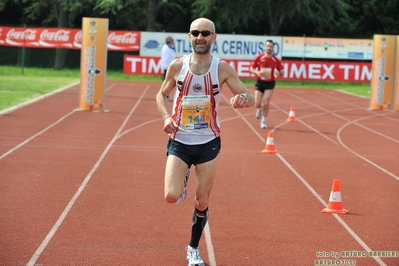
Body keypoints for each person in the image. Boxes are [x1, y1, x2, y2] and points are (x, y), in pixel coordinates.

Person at [155, 17, 254, 266]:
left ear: (214, 37)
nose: (200, 37)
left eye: (205, 33)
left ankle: (192, 249)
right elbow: (160, 94)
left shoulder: (222, 69)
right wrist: (166, 116)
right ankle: (183, 178)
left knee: (202, 201)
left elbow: (248, 94)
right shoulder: (177, 67)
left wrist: (243, 98)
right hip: (180, 139)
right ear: (189, 36)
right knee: (171, 195)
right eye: (196, 33)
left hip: (208, 142)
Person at [250, 40, 284, 129]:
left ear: (273, 48)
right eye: (268, 46)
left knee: (266, 102)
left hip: (270, 83)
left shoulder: (275, 60)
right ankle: (259, 108)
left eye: (271, 46)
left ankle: (264, 121)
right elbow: (251, 69)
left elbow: (282, 71)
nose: (269, 48)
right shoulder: (259, 57)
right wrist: (257, 72)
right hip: (260, 82)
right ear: (265, 47)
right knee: (257, 103)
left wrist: (279, 72)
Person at [161, 36, 176, 101]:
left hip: (168, 66)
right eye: (172, 41)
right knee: (167, 82)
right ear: (170, 42)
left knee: (167, 82)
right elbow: (167, 59)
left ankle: (165, 95)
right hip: (167, 67)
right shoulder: (166, 48)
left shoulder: (168, 48)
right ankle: (165, 96)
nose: (173, 42)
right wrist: (170, 66)